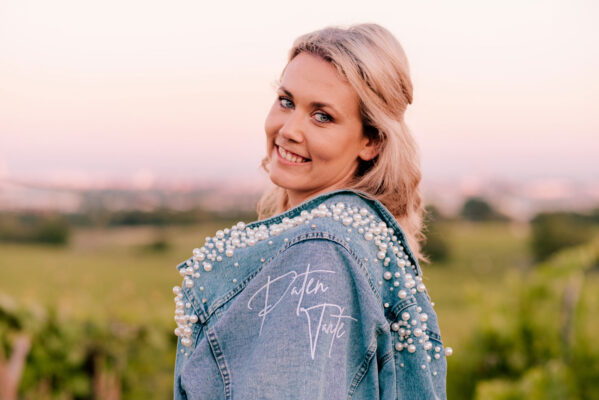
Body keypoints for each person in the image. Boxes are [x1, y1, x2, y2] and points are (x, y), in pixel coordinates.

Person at [172, 23, 450, 399]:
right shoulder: (356, 237)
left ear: (371, 141)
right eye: (286, 101)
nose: (289, 129)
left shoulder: (318, 255)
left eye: (322, 116)